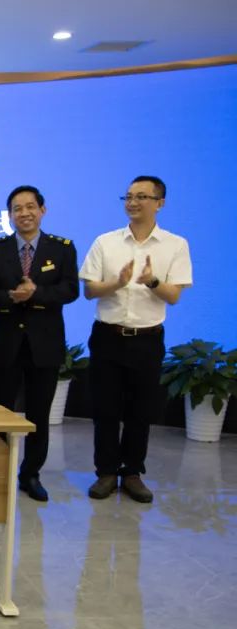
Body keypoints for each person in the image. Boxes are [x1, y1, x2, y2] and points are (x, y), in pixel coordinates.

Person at [79, 175, 192, 503]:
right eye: (128, 196)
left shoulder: (175, 245)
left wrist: (151, 280)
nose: (132, 202)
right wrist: (117, 283)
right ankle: (105, 472)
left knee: (141, 410)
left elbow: (174, 296)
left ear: (160, 203)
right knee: (105, 408)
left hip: (147, 339)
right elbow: (90, 290)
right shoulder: (106, 242)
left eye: (141, 196)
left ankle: (132, 473)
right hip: (108, 336)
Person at [0, 185, 79, 502]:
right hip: (4, 341)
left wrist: (37, 293)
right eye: (17, 209)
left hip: (44, 343)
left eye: (30, 207)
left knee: (38, 414)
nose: (24, 213)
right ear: (9, 215)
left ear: (42, 210)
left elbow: (70, 291)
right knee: (0, 412)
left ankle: (31, 474)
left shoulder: (62, 248)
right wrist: (10, 296)